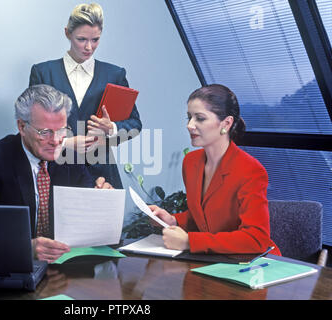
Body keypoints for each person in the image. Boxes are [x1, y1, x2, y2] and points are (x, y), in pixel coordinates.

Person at [0, 84, 113, 263]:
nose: (56, 141)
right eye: (45, 132)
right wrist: (25, 247)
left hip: (65, 269)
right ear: (22, 126)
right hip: (12, 268)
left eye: (62, 130)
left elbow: (85, 214)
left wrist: (100, 198)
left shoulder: (70, 158)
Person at [150, 84, 281, 255]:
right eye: (189, 117)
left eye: (200, 118)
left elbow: (256, 239)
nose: (190, 125)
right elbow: (204, 218)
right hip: (213, 260)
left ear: (226, 123)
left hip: (252, 264)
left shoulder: (251, 170)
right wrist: (173, 220)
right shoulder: (190, 162)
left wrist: (191, 242)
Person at [29, 3, 142, 189]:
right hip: (58, 173)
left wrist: (111, 128)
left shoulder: (115, 74)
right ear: (67, 33)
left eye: (95, 40)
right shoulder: (43, 73)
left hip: (104, 176)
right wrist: (65, 142)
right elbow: (32, 128)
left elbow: (135, 124)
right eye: (81, 39)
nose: (89, 47)